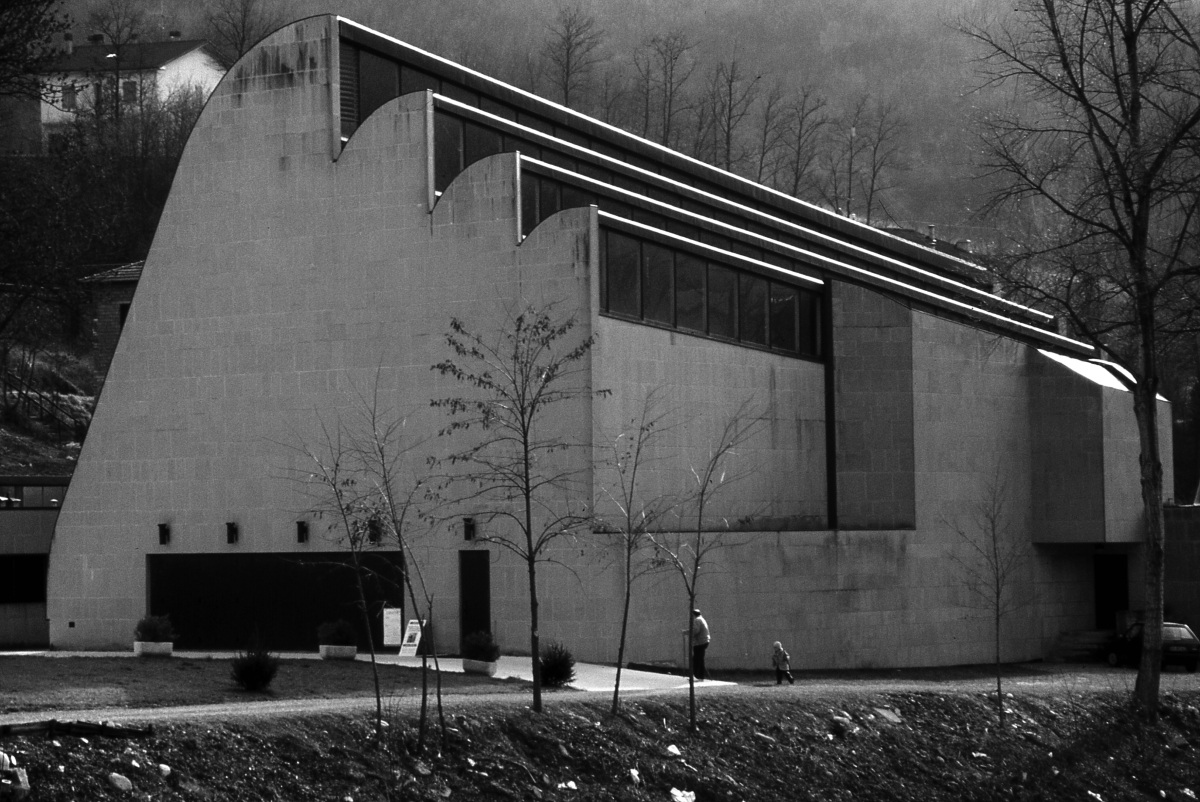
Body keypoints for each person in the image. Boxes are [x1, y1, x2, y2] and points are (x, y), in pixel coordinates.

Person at [691, 609, 710, 680]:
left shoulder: (697, 620)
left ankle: (697, 675)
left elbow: (696, 630)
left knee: (696, 659)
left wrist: (689, 633)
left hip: (700, 642)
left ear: (693, 615)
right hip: (704, 641)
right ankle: (700, 676)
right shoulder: (702, 619)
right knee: (700, 659)